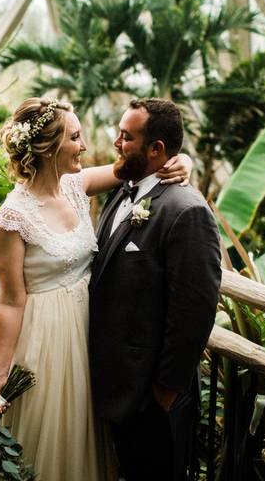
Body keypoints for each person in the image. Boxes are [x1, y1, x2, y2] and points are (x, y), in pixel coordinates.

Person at [0, 97, 192, 481]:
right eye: (75, 137)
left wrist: (181, 161)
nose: (83, 145)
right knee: (49, 445)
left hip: (91, 337)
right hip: (47, 342)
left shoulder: (77, 187)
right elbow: (11, 300)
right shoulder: (13, 217)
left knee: (88, 442)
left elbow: (134, 166)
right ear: (49, 148)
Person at [89, 98, 222, 480]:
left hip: (153, 396)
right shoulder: (120, 191)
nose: (116, 142)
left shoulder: (186, 210)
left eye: (126, 137)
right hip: (118, 387)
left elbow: (194, 308)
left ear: (156, 149)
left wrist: (165, 388)